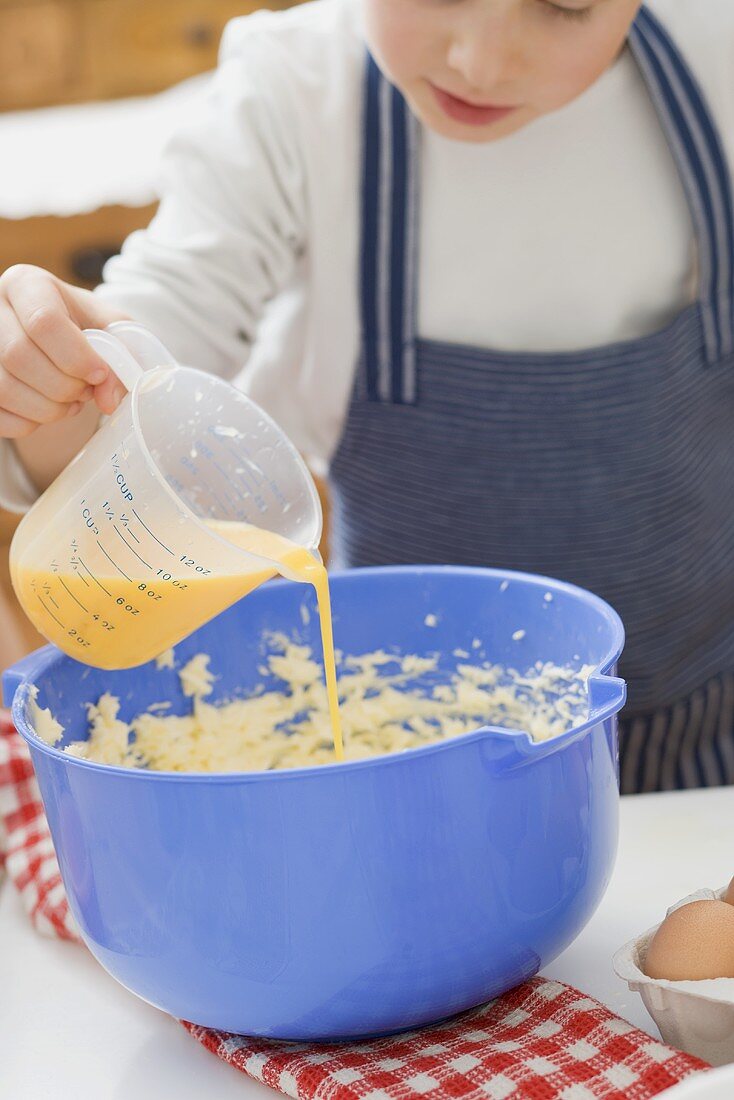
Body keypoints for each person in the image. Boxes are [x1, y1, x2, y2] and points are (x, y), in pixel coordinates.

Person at [0, 0, 732, 793]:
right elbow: (134, 374)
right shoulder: (298, 96)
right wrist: (52, 368)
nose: (482, 61)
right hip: (393, 770)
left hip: (704, 751)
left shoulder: (718, 58)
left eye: (566, 5)